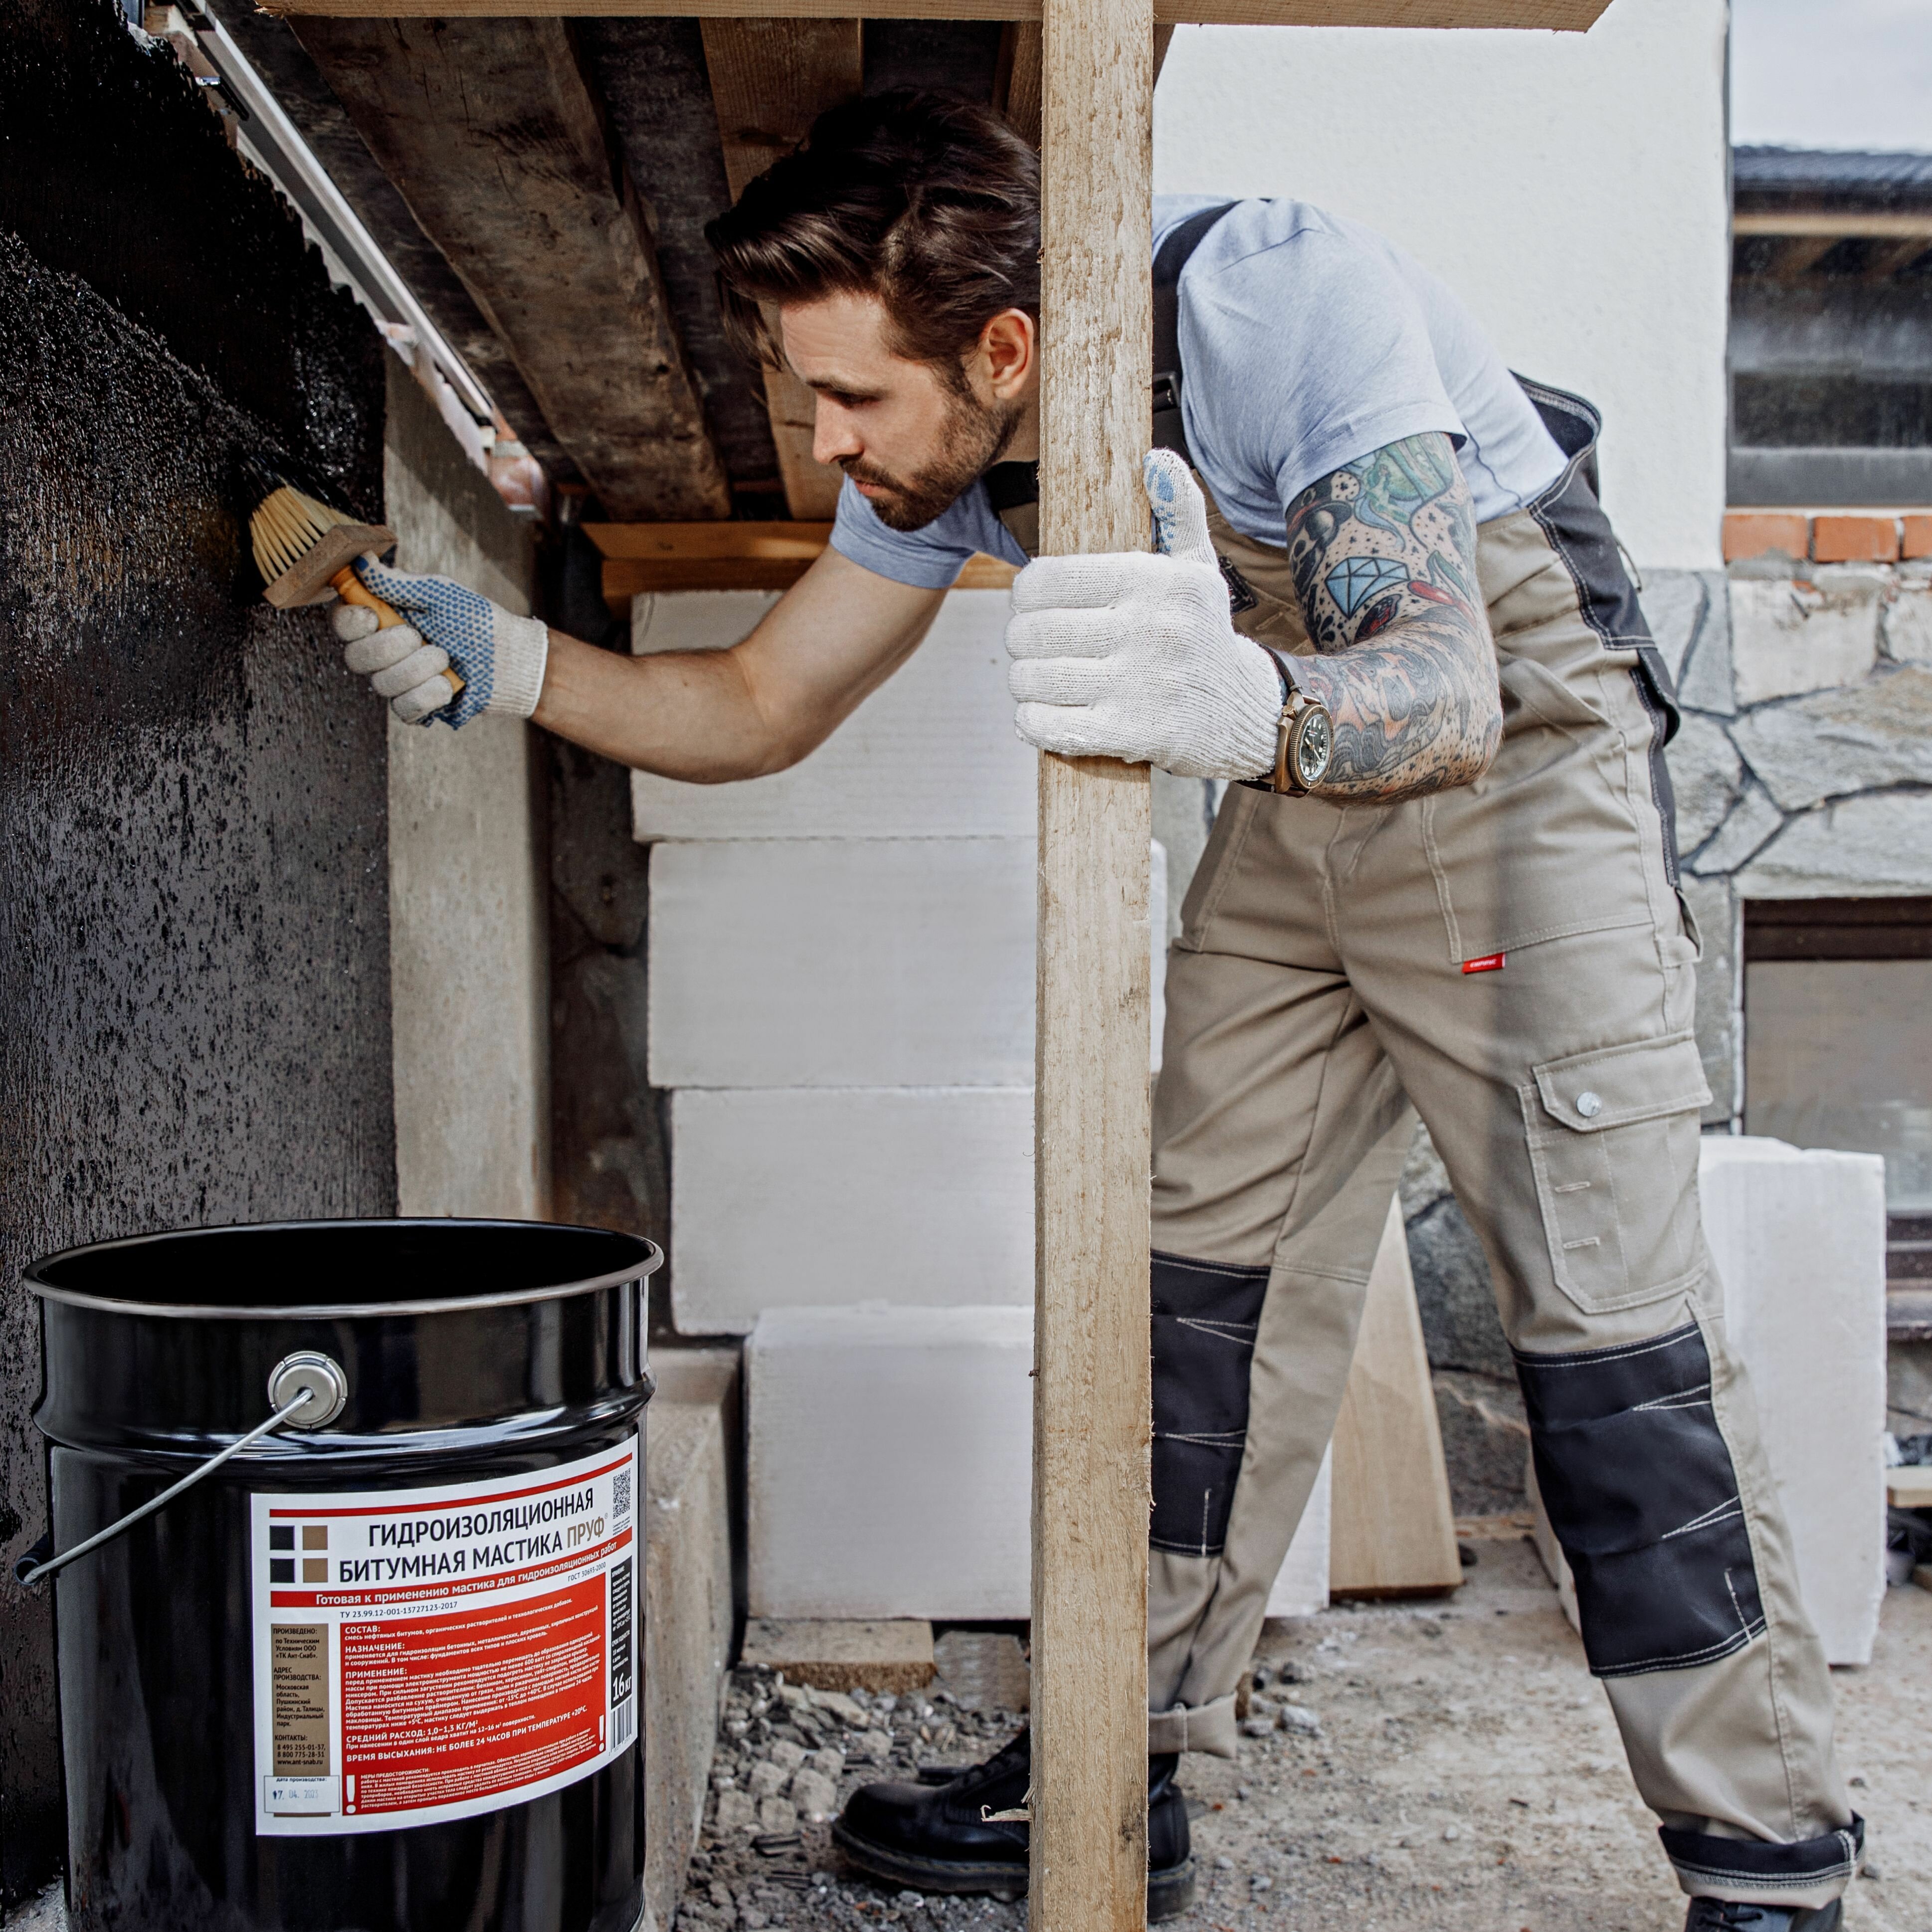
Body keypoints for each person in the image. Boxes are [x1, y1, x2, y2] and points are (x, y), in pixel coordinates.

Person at [331, 90, 1860, 1932]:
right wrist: (506, 663)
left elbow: (1446, 690)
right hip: (1302, 801)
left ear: (1005, 347)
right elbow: (757, 706)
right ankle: (1112, 1763)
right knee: (1186, 1302)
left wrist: (1228, 711)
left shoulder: (1274, 298)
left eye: (852, 402)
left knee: (1603, 1333)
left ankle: (1763, 1856)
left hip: (1512, 782)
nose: (825, 451)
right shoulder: (960, 450)